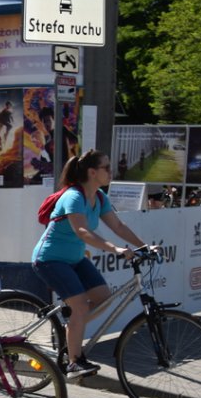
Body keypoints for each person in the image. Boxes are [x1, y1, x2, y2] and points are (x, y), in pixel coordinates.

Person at [32, 149, 152, 381]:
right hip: (50, 259)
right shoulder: (73, 197)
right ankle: (74, 362)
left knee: (103, 298)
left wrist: (143, 246)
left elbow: (118, 226)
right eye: (106, 167)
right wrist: (116, 249)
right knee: (79, 306)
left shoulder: (100, 197)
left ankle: (71, 331)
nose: (111, 171)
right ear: (92, 172)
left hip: (75, 259)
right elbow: (82, 231)